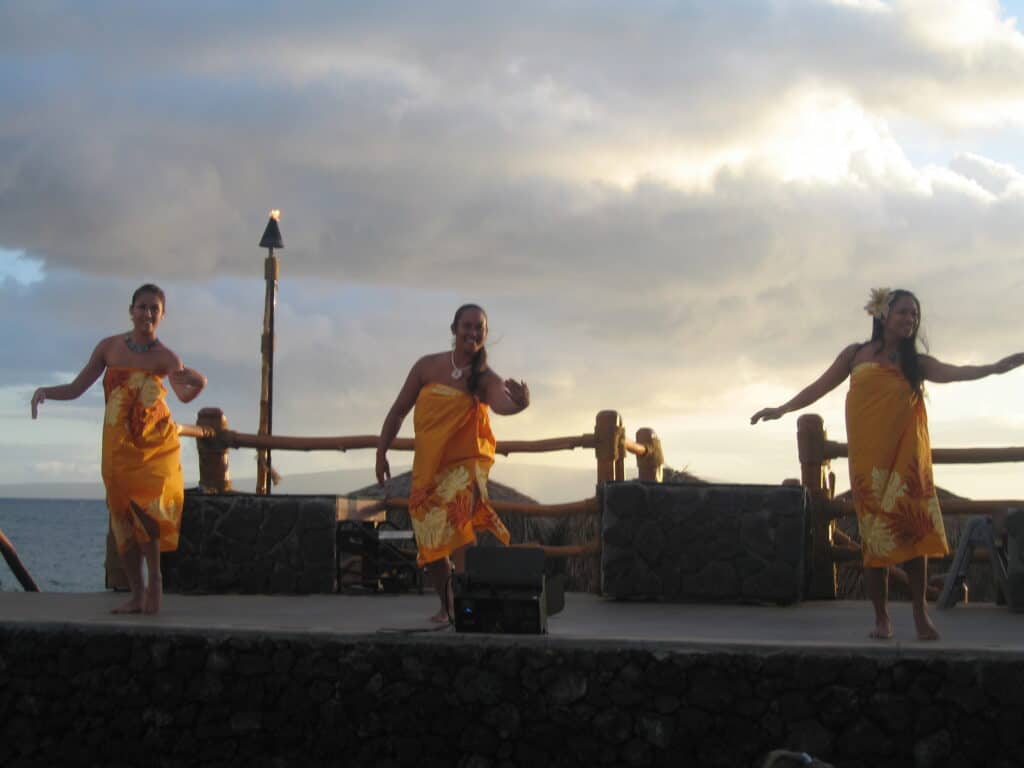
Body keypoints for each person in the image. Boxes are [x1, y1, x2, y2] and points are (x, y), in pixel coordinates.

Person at [751, 288, 1024, 641]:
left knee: (912, 535)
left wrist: (994, 368)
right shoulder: (854, 354)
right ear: (883, 315)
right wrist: (783, 409)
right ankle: (882, 619)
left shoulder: (916, 364)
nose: (910, 320)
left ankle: (920, 614)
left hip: (906, 460)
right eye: (903, 313)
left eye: (914, 315)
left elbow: (954, 372)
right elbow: (819, 387)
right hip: (870, 460)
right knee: (874, 539)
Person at [31, 284, 206, 615]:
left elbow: (183, 396)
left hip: (154, 446)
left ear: (162, 315)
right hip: (117, 448)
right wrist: (45, 392)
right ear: (131, 310)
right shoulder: (109, 347)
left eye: (154, 308)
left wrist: (198, 382)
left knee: (148, 514)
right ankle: (136, 594)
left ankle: (155, 585)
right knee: (121, 517)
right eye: (142, 307)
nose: (148, 313)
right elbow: (76, 387)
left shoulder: (167, 357)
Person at [376, 303, 530, 623]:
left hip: (463, 467)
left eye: (479, 328)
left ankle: (466, 602)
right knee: (430, 540)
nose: (473, 332)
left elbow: (501, 404)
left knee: (459, 521)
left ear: (485, 335)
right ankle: (448, 606)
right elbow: (398, 411)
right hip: (429, 467)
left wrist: (520, 404)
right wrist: (382, 451)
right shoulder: (426, 367)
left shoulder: (485, 378)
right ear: (454, 329)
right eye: (467, 326)